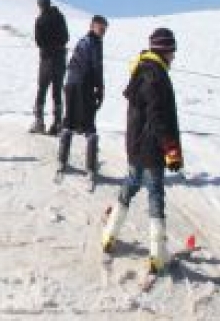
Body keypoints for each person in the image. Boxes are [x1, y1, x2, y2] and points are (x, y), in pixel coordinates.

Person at [102, 28, 183, 275]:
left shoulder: (141, 70)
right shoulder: (156, 76)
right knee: (155, 194)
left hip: (136, 144)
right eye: (172, 51)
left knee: (132, 182)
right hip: (151, 148)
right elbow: (159, 118)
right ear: (163, 50)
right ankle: (158, 255)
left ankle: (109, 234)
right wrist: (170, 149)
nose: (174, 56)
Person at [57, 15, 108, 178]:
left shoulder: (82, 41)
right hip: (82, 86)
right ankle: (91, 168)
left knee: (69, 122)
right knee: (89, 125)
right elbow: (96, 67)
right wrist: (100, 89)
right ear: (92, 26)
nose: (103, 32)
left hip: (70, 83)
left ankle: (62, 160)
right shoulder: (94, 43)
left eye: (105, 29)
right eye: (100, 28)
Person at [30, 0, 70, 135]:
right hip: (60, 58)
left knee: (42, 90)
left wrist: (47, 46)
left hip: (47, 59)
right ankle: (58, 123)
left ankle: (39, 122)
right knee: (57, 91)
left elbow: (39, 42)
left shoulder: (40, 21)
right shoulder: (60, 17)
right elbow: (66, 37)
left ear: (40, 5)